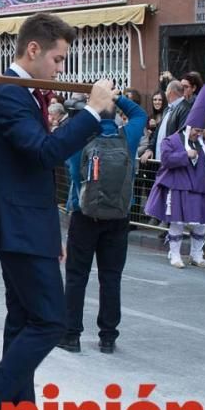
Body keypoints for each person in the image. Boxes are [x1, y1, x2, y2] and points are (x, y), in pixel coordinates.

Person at [0, 12, 113, 410]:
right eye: (58, 58)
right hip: (18, 226)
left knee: (24, 324)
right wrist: (92, 111)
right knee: (51, 322)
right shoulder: (9, 97)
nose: (60, 68)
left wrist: (52, 234)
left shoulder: (20, 95)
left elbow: (31, 165)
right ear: (33, 50)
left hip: (27, 225)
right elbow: (44, 154)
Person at [60, 91, 146, 355]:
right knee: (111, 278)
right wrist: (116, 95)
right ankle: (108, 337)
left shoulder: (80, 138)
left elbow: (73, 172)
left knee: (77, 276)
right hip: (119, 217)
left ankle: (71, 335)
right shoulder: (127, 136)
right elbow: (140, 114)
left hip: (84, 214)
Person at [144, 84, 205, 269]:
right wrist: (185, 155)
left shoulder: (203, 144)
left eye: (201, 130)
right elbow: (167, 159)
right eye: (195, 129)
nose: (197, 133)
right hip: (179, 187)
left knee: (200, 225)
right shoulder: (171, 140)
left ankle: (197, 255)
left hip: (200, 188)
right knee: (177, 224)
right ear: (187, 127)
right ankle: (175, 254)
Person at [140, 80, 189, 162]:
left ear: (170, 92)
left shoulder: (185, 109)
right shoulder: (167, 110)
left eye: (166, 91)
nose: (165, 93)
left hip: (171, 161)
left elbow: (181, 136)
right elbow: (157, 133)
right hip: (160, 160)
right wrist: (149, 149)